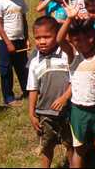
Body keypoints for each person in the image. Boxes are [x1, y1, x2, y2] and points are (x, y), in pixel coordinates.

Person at [57, 5, 95, 168]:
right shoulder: (73, 54)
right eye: (77, 39)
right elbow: (59, 39)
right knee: (80, 148)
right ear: (72, 40)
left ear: (94, 36)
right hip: (79, 110)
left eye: (88, 38)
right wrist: (69, 18)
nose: (83, 43)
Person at [27, 16, 73, 168]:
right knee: (46, 145)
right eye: (38, 38)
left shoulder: (66, 55)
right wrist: (32, 113)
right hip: (45, 112)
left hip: (68, 110)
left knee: (70, 144)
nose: (42, 41)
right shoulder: (35, 61)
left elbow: (76, 80)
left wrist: (65, 97)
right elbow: (33, 88)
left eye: (47, 37)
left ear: (57, 35)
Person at [0, 0, 29, 107]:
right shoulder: (0, 3)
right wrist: (8, 43)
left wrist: (26, 38)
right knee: (6, 70)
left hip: (20, 40)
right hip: (6, 42)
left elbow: (24, 20)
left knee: (23, 67)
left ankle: (27, 91)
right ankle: (9, 97)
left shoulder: (20, 2)